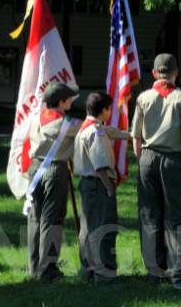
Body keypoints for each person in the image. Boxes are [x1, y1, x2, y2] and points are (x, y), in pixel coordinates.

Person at [131, 53, 181, 290]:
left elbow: (136, 137)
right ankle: (178, 272)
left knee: (149, 214)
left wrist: (141, 162)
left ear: (154, 73)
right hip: (173, 159)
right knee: (176, 214)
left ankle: (154, 271)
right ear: (176, 72)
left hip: (148, 157)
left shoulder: (143, 97)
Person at [26, 82, 81, 281]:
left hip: (35, 168)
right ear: (61, 101)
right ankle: (48, 268)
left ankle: (34, 266)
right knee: (53, 218)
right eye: (69, 98)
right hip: (55, 170)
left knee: (35, 218)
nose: (72, 101)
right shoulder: (68, 124)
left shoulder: (35, 119)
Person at [74, 92, 130, 283]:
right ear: (105, 110)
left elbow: (112, 132)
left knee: (88, 228)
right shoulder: (96, 132)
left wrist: (131, 135)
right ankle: (104, 272)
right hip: (99, 183)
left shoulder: (87, 127)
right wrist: (110, 188)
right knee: (103, 227)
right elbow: (100, 165)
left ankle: (88, 269)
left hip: (87, 184)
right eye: (110, 109)